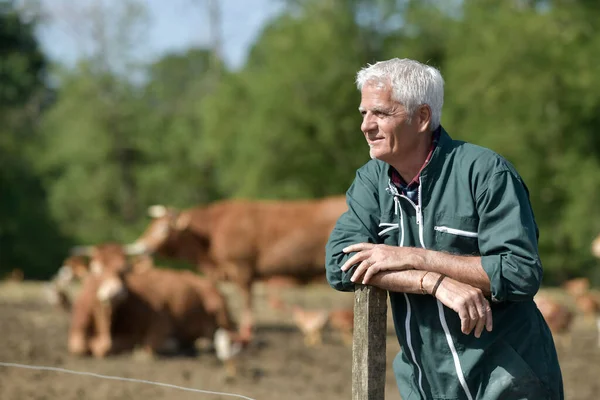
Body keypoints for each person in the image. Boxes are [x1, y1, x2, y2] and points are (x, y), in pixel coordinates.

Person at [325, 58, 563, 400]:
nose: (366, 125)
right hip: (424, 385)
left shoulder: (486, 173)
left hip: (508, 383)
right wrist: (431, 282)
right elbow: (339, 264)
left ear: (421, 117)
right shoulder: (371, 181)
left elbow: (519, 271)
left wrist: (413, 257)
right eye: (363, 113)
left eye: (380, 113)